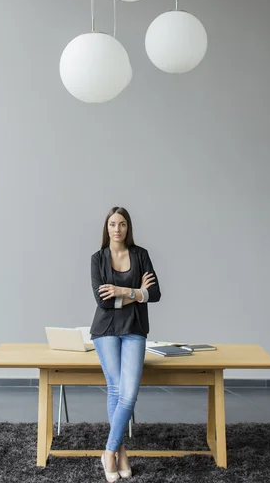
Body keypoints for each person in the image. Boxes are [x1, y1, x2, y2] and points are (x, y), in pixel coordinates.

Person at [90, 206, 161, 482]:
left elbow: (155, 294)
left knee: (128, 394)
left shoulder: (141, 255)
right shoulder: (97, 259)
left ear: (128, 227)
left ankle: (109, 451)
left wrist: (121, 291)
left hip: (134, 329)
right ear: (106, 228)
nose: (117, 229)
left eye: (122, 224)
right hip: (105, 329)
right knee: (116, 388)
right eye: (112, 224)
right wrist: (136, 293)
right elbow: (102, 302)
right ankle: (120, 452)